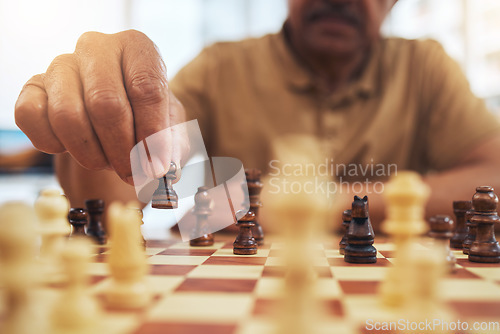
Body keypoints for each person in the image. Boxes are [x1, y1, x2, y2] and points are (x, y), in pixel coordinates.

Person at [14, 0, 500, 230]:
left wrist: (337, 200)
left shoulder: (425, 67)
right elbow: (112, 198)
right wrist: (122, 117)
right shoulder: (220, 67)